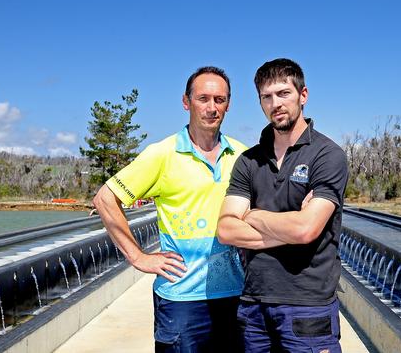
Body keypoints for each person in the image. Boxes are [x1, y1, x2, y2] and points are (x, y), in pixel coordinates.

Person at [93, 66, 246, 352]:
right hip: (181, 300)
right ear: (186, 102)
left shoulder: (242, 155)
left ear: (228, 105)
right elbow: (105, 199)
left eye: (220, 99)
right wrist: (138, 257)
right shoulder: (162, 154)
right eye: (203, 98)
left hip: (234, 295)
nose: (212, 107)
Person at [217, 58, 348, 353]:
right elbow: (225, 229)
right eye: (267, 96)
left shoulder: (327, 156)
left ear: (303, 95)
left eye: (283, 93)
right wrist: (290, 227)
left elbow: (305, 230)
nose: (275, 103)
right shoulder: (249, 160)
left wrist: (252, 214)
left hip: (308, 308)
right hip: (254, 306)